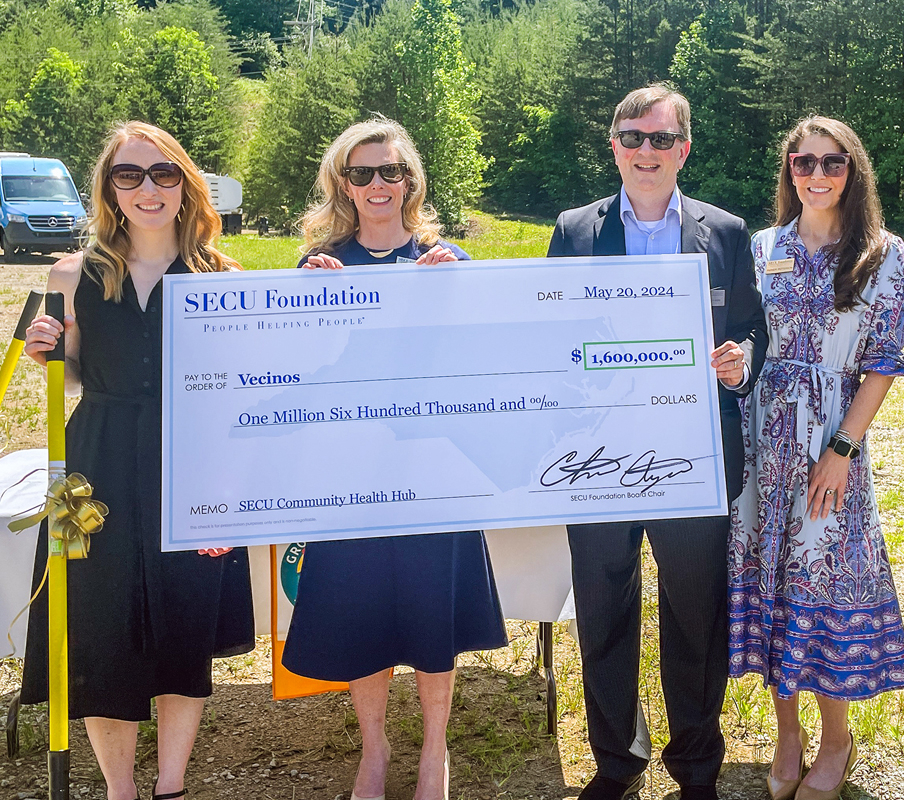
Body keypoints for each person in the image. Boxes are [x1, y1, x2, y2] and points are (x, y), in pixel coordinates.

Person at [20, 121, 255, 800]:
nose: (147, 189)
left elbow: (243, 388)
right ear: (109, 190)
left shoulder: (223, 275)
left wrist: (230, 494)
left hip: (195, 462)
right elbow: (69, 381)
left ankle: (171, 787)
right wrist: (49, 350)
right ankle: (121, 792)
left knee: (186, 620)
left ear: (185, 184)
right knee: (94, 627)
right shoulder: (72, 273)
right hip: (87, 465)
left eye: (163, 174)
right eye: (130, 175)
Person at [547, 84, 768, 800]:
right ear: (613, 144)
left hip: (692, 456)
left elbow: (753, 329)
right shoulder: (575, 230)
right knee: (604, 609)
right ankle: (618, 762)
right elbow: (547, 336)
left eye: (662, 139)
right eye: (633, 137)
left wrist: (741, 362)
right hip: (597, 457)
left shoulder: (726, 232)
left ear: (684, 149)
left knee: (694, 614)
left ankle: (697, 765)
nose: (647, 151)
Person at [280, 117, 508, 800]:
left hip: (434, 473)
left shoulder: (451, 264)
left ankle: (434, 751)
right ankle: (374, 750)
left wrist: (459, 298)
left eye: (391, 171)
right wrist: (303, 305)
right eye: (362, 173)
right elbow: (293, 370)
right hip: (350, 473)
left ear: (411, 180)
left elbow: (490, 367)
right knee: (359, 609)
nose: (378, 184)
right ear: (341, 185)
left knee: (431, 606)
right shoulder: (317, 269)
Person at [728, 116, 904, 800]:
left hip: (831, 437)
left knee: (822, 581)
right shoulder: (764, 246)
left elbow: (885, 361)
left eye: (831, 162)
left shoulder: (881, 252)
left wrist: (843, 447)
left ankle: (836, 740)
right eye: (802, 162)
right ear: (789, 170)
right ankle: (787, 733)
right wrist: (738, 363)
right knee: (771, 577)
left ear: (852, 169)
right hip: (763, 438)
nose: (816, 174)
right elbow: (750, 337)